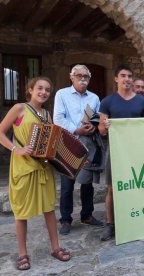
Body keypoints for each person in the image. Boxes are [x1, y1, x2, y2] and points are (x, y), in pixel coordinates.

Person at [0, 77, 71, 270]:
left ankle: (55, 247)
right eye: (40, 88)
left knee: (49, 209)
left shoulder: (46, 114)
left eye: (47, 89)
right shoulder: (19, 108)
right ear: (30, 90)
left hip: (43, 169)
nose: (43, 92)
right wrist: (16, 149)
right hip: (24, 169)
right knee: (21, 213)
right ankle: (22, 253)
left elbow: (50, 142)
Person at [98, 64, 144, 241]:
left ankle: (137, 220)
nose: (127, 79)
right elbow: (101, 131)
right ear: (116, 79)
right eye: (123, 76)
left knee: (137, 186)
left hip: (136, 152)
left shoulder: (142, 102)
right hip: (115, 152)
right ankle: (110, 225)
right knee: (112, 189)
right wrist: (104, 126)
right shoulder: (107, 102)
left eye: (129, 76)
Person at [53, 64, 103, 235]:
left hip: (88, 144)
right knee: (67, 184)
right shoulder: (62, 94)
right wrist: (77, 129)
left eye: (86, 76)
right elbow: (58, 118)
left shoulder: (95, 98)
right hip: (67, 143)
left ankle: (87, 215)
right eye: (79, 75)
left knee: (87, 183)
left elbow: (97, 118)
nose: (83, 78)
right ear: (71, 77)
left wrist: (93, 127)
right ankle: (66, 219)